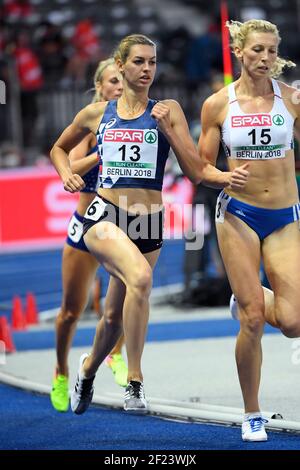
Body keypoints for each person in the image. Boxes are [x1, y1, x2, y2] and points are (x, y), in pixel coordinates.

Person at [50, 34, 203, 414]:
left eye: (152, 62)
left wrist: (169, 130)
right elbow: (58, 148)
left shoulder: (168, 110)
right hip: (103, 215)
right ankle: (134, 382)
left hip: (148, 223)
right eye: (138, 62)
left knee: (114, 317)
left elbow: (195, 171)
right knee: (141, 280)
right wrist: (66, 173)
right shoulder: (97, 113)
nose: (147, 69)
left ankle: (87, 370)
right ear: (120, 65)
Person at [198, 19, 300, 442]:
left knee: (293, 323)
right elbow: (201, 168)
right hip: (238, 214)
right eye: (257, 50)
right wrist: (223, 177)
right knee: (255, 320)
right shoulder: (217, 105)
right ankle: (252, 413)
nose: (264, 58)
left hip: (284, 216)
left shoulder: (292, 99)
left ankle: (249, 298)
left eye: (271, 51)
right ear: (240, 52)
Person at [50, 58, 128, 413]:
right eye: (113, 81)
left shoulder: (136, 118)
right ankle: (62, 370)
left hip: (122, 223)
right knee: (70, 311)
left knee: (128, 294)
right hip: (86, 225)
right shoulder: (94, 119)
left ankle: (115, 355)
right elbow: (69, 160)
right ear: (100, 87)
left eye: (122, 79)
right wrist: (102, 153)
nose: (120, 86)